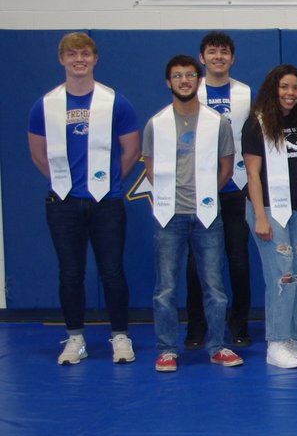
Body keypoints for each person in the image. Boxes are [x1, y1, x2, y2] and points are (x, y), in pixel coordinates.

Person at [29, 32, 140, 365]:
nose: (79, 60)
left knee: (113, 272)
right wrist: (64, 183)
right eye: (72, 54)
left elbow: (131, 150)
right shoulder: (45, 105)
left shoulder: (115, 101)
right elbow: (38, 154)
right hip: (63, 203)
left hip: (106, 202)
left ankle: (120, 336)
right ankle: (75, 338)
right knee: (70, 273)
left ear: (95, 59)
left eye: (85, 54)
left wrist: (107, 183)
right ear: (61, 59)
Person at [143, 54, 243, 372]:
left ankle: (217, 346)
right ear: (168, 82)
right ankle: (166, 350)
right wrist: (171, 197)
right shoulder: (156, 123)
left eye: (189, 75)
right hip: (169, 216)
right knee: (165, 288)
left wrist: (206, 195)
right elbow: (150, 168)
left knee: (214, 286)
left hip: (207, 215)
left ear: (198, 81)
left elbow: (226, 167)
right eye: (177, 75)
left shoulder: (217, 122)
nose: (184, 80)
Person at [242, 64, 297, 369]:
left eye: (296, 88)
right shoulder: (257, 123)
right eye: (284, 87)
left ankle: (289, 338)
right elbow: (252, 173)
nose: (290, 93)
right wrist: (260, 216)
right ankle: (275, 342)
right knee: (282, 274)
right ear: (273, 89)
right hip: (269, 209)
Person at [184, 31, 253, 350]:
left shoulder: (245, 93)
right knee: (196, 265)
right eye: (212, 52)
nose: (218, 57)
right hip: (199, 191)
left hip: (237, 187)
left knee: (238, 262)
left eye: (224, 52)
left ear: (232, 58)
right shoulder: (189, 90)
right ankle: (196, 327)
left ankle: (239, 324)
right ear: (202, 58)